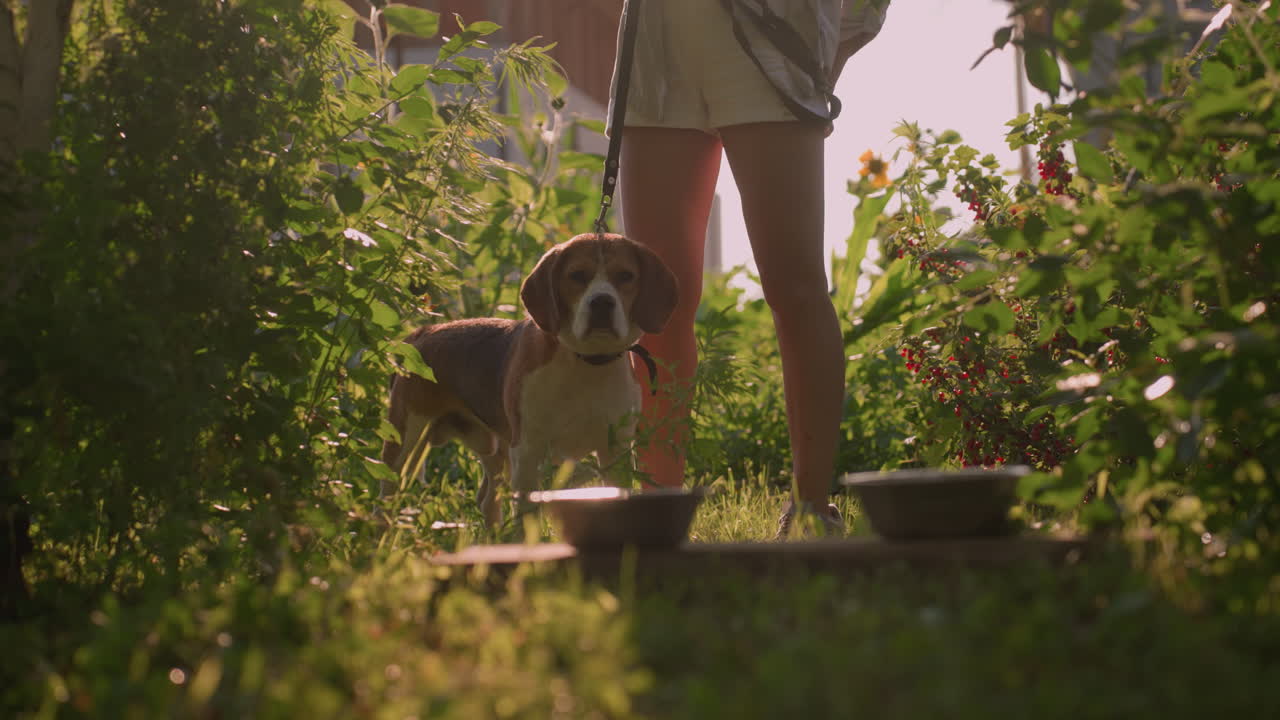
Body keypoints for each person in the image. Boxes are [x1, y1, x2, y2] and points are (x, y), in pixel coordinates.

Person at [608, 0, 889, 536]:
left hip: (776, 32)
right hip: (657, 41)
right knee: (654, 305)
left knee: (796, 287)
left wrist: (841, 35)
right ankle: (653, 514)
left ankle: (810, 510)